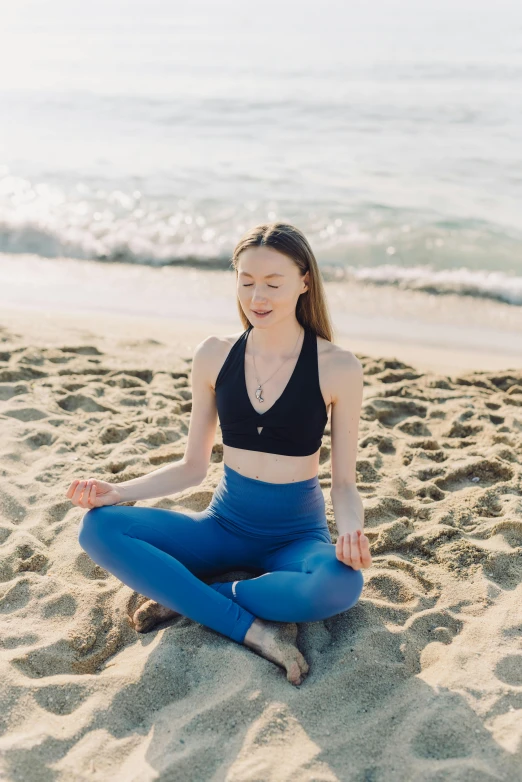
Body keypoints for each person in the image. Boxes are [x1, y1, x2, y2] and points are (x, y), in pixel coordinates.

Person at [68, 222, 372, 686]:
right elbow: (194, 467)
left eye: (273, 283)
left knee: (342, 584)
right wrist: (119, 491)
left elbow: (345, 485)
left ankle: (201, 594)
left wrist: (350, 533)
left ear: (304, 281)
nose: (258, 297)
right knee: (99, 527)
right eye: (247, 282)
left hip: (295, 536)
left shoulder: (337, 367)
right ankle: (247, 628)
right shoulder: (214, 355)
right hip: (223, 527)